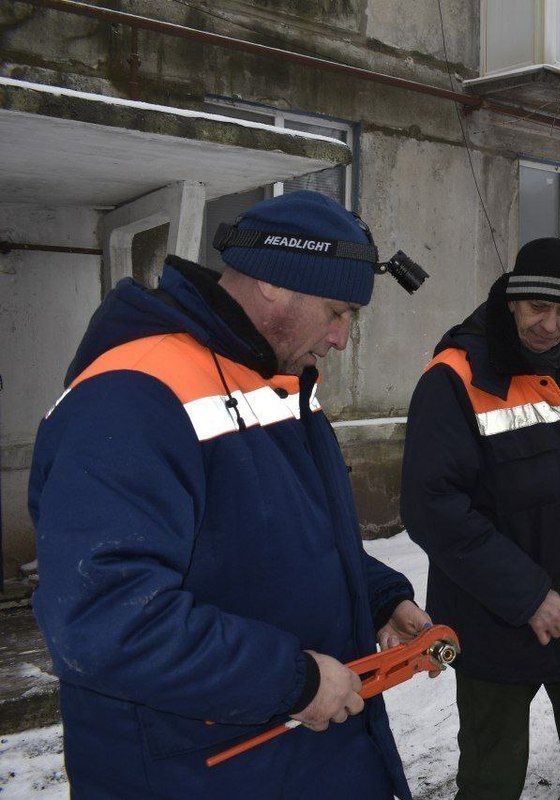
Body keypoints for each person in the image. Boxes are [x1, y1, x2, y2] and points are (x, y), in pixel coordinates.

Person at [29, 191, 431, 799]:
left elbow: (281, 532)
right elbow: (103, 617)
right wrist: (290, 681)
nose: (342, 339)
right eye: (337, 311)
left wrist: (375, 597)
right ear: (274, 283)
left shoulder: (272, 379)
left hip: (297, 760)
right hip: (197, 771)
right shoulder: (134, 395)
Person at [400, 237, 560, 799]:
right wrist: (526, 597)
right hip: (494, 618)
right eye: (537, 308)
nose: (550, 325)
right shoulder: (458, 377)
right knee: (492, 776)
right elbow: (434, 508)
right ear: (513, 300)